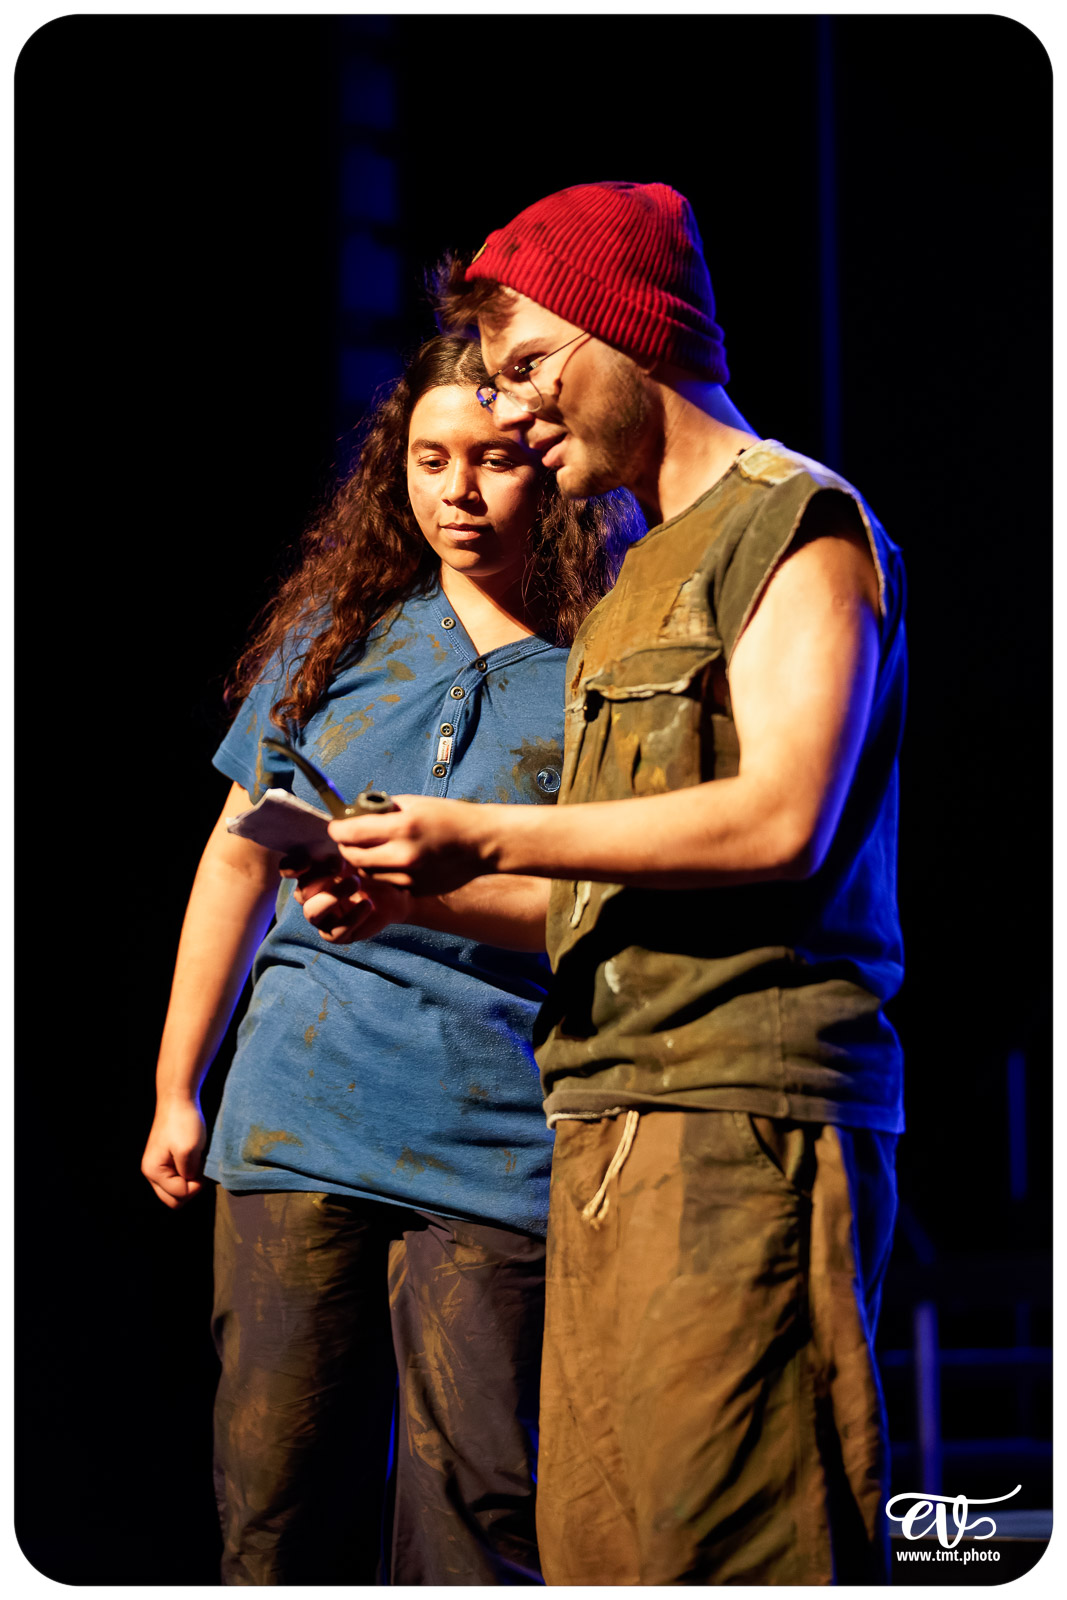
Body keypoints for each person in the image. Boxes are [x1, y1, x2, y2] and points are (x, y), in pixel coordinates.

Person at [316, 183, 907, 1586]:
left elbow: (778, 820)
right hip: (599, 1124)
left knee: (730, 1553)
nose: (513, 413)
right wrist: (416, 890)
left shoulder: (793, 521)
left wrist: (488, 832)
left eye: (528, 368)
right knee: (598, 1557)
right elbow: (602, 894)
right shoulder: (631, 585)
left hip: (737, 1117)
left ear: (621, 332)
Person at [140, 332, 642, 1586]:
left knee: (478, 1511)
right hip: (299, 1109)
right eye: (427, 460)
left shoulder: (605, 665)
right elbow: (235, 857)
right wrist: (175, 1085)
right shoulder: (339, 631)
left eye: (489, 462)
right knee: (274, 1499)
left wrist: (422, 899)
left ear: (552, 466)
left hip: (497, 1131)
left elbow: (604, 904)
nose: (455, 493)